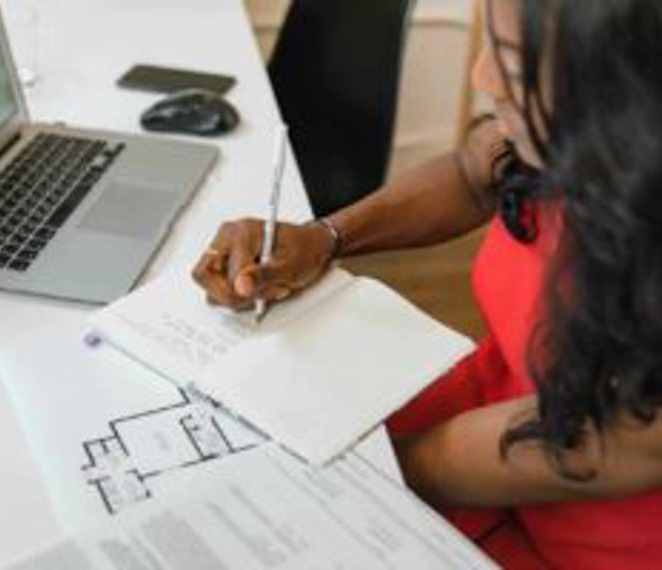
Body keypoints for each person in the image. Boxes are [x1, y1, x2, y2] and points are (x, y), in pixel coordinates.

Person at [191, 0, 662, 567]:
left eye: (512, 65)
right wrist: (324, 239)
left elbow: (588, 439)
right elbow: (473, 169)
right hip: (480, 422)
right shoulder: (565, 138)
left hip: (570, 526)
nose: (480, 77)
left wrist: (362, 475)